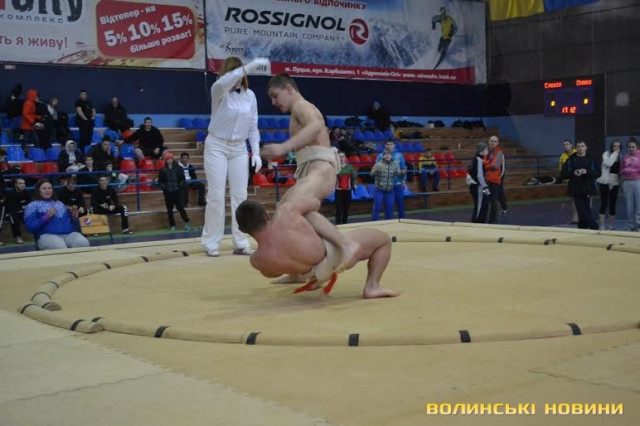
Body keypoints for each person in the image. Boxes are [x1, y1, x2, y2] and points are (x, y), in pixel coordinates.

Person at [261, 73, 357, 268]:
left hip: (320, 170)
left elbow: (316, 127)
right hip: (313, 170)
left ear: (289, 89)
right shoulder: (298, 110)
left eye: (275, 95)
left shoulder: (301, 106)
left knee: (288, 211)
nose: (273, 102)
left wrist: (283, 147)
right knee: (286, 211)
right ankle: (300, 268)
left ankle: (346, 245)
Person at [236, 198, 399, 299]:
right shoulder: (286, 218)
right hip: (335, 256)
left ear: (242, 230)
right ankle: (372, 286)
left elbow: (273, 273)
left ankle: (298, 276)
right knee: (383, 240)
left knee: (291, 254)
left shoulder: (257, 260)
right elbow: (314, 203)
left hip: (313, 273)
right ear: (267, 216)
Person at [200, 56, 266, 257]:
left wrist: (256, 152)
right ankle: (211, 242)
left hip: (239, 148)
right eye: (235, 72)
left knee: (240, 197)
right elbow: (224, 82)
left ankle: (241, 242)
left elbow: (253, 126)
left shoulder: (250, 96)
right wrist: (247, 67)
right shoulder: (218, 90)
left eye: (242, 73)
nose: (238, 77)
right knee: (216, 196)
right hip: (216, 145)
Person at [24, 178, 90, 250]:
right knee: (59, 246)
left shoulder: (60, 203)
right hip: (46, 236)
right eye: (44, 188)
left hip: (68, 235)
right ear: (38, 190)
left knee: (83, 242)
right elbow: (30, 227)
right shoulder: (32, 206)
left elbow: (72, 225)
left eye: (49, 188)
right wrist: (46, 216)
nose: (47, 190)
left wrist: (74, 217)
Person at [561, 140, 599, 230]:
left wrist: (586, 172)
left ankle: (582, 229)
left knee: (586, 210)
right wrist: (573, 173)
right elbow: (563, 174)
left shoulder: (591, 159)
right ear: (576, 148)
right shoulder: (571, 160)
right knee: (581, 210)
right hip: (576, 188)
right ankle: (595, 227)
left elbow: (598, 173)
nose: (580, 148)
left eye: (582, 146)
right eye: (578, 146)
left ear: (586, 147)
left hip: (588, 188)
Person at [157, 153, 191, 231]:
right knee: (169, 210)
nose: (169, 160)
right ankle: (172, 225)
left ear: (173, 159)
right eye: (168, 159)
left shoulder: (178, 168)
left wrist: (179, 187)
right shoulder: (163, 170)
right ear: (166, 160)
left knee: (180, 208)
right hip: (168, 193)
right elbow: (160, 181)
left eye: (171, 159)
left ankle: (187, 221)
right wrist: (164, 188)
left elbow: (182, 179)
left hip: (177, 192)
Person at [375, 139, 407, 218]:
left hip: (397, 183)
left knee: (400, 203)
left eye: (391, 144)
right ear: (385, 145)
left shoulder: (399, 155)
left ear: (394, 145)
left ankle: (402, 220)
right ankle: (388, 221)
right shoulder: (380, 156)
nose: (389, 146)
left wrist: (403, 181)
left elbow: (403, 168)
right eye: (388, 144)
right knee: (388, 205)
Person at [597, 140, 621, 230]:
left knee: (612, 204)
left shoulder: (620, 157)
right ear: (611, 147)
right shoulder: (606, 154)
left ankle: (611, 226)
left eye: (618, 146)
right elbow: (609, 163)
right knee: (604, 203)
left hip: (614, 183)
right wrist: (615, 154)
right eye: (615, 146)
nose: (616, 148)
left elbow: (619, 172)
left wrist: (618, 183)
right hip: (605, 182)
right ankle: (601, 226)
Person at [484, 135, 506, 223]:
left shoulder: (499, 153)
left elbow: (496, 166)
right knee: (486, 200)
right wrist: (488, 165)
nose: (492, 143)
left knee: (494, 201)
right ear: (488, 141)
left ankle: (493, 221)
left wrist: (485, 166)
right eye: (491, 141)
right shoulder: (486, 152)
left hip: (495, 181)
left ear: (497, 143)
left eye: (495, 141)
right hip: (487, 181)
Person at [468, 142, 491, 223]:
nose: (487, 151)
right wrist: (485, 186)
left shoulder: (475, 159)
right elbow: (479, 175)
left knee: (484, 204)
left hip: (476, 186)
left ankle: (480, 221)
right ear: (482, 151)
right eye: (486, 150)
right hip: (478, 187)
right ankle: (476, 223)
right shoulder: (479, 160)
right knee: (480, 206)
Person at [620, 138, 640, 232]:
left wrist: (631, 170)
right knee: (629, 206)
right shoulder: (625, 157)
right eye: (629, 147)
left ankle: (638, 225)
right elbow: (621, 170)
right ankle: (631, 225)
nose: (631, 149)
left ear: (637, 147)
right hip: (627, 182)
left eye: (633, 147)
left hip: (638, 181)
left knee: (639, 204)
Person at [558, 139, 579, 224]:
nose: (566, 146)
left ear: (571, 145)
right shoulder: (562, 157)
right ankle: (575, 218)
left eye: (567, 144)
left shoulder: (577, 153)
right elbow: (561, 170)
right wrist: (563, 178)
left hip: (579, 179)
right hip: (570, 181)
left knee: (582, 199)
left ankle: (583, 217)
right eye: (564, 144)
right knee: (574, 199)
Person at [6, 177, 31, 244]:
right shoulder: (11, 193)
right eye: (20, 183)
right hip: (11, 212)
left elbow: (29, 202)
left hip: (23, 212)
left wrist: (23, 206)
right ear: (16, 185)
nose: (22, 185)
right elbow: (12, 207)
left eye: (23, 183)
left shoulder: (26, 192)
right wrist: (22, 204)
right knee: (14, 218)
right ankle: (18, 237)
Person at [335, 151, 358, 225]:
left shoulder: (350, 167)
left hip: (347, 192)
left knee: (346, 210)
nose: (341, 158)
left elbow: (355, 177)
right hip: (338, 191)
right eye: (339, 157)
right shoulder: (335, 167)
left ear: (345, 158)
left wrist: (355, 184)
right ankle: (338, 225)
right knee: (338, 210)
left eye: (342, 157)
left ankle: (345, 224)